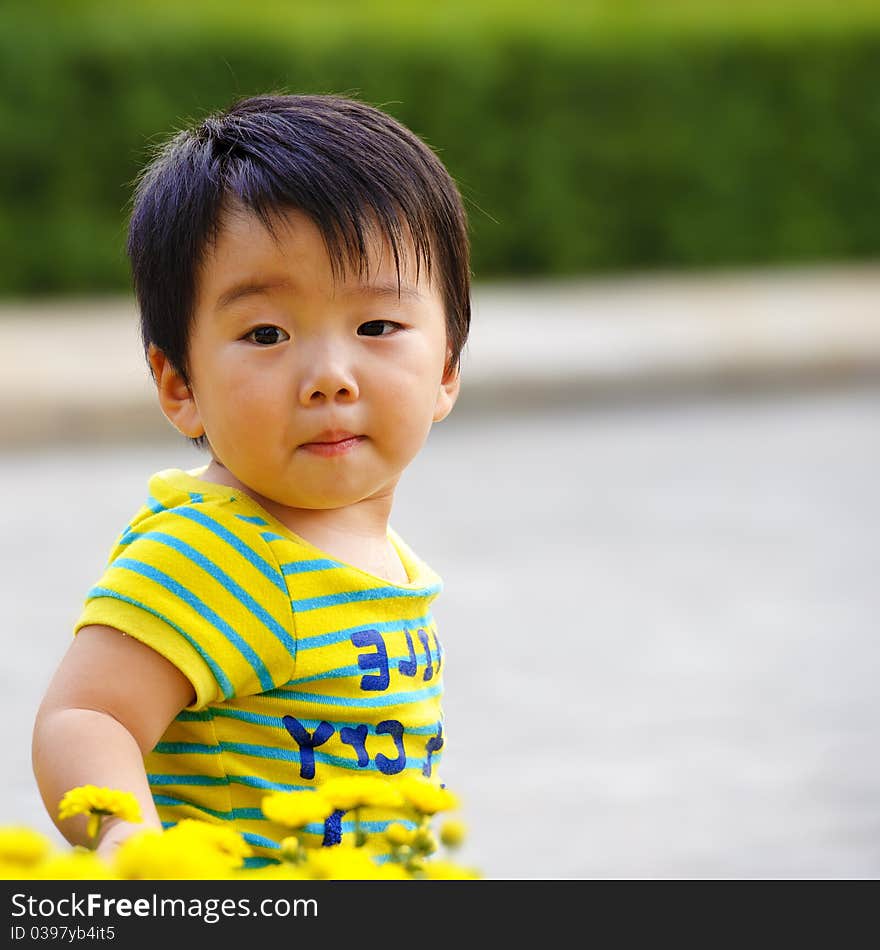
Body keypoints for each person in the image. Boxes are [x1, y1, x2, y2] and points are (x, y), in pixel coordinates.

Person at [32, 93, 470, 868]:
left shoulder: (368, 550)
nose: (329, 377)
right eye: (266, 334)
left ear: (445, 368)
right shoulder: (216, 550)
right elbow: (87, 715)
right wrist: (133, 848)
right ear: (179, 384)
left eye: (376, 327)